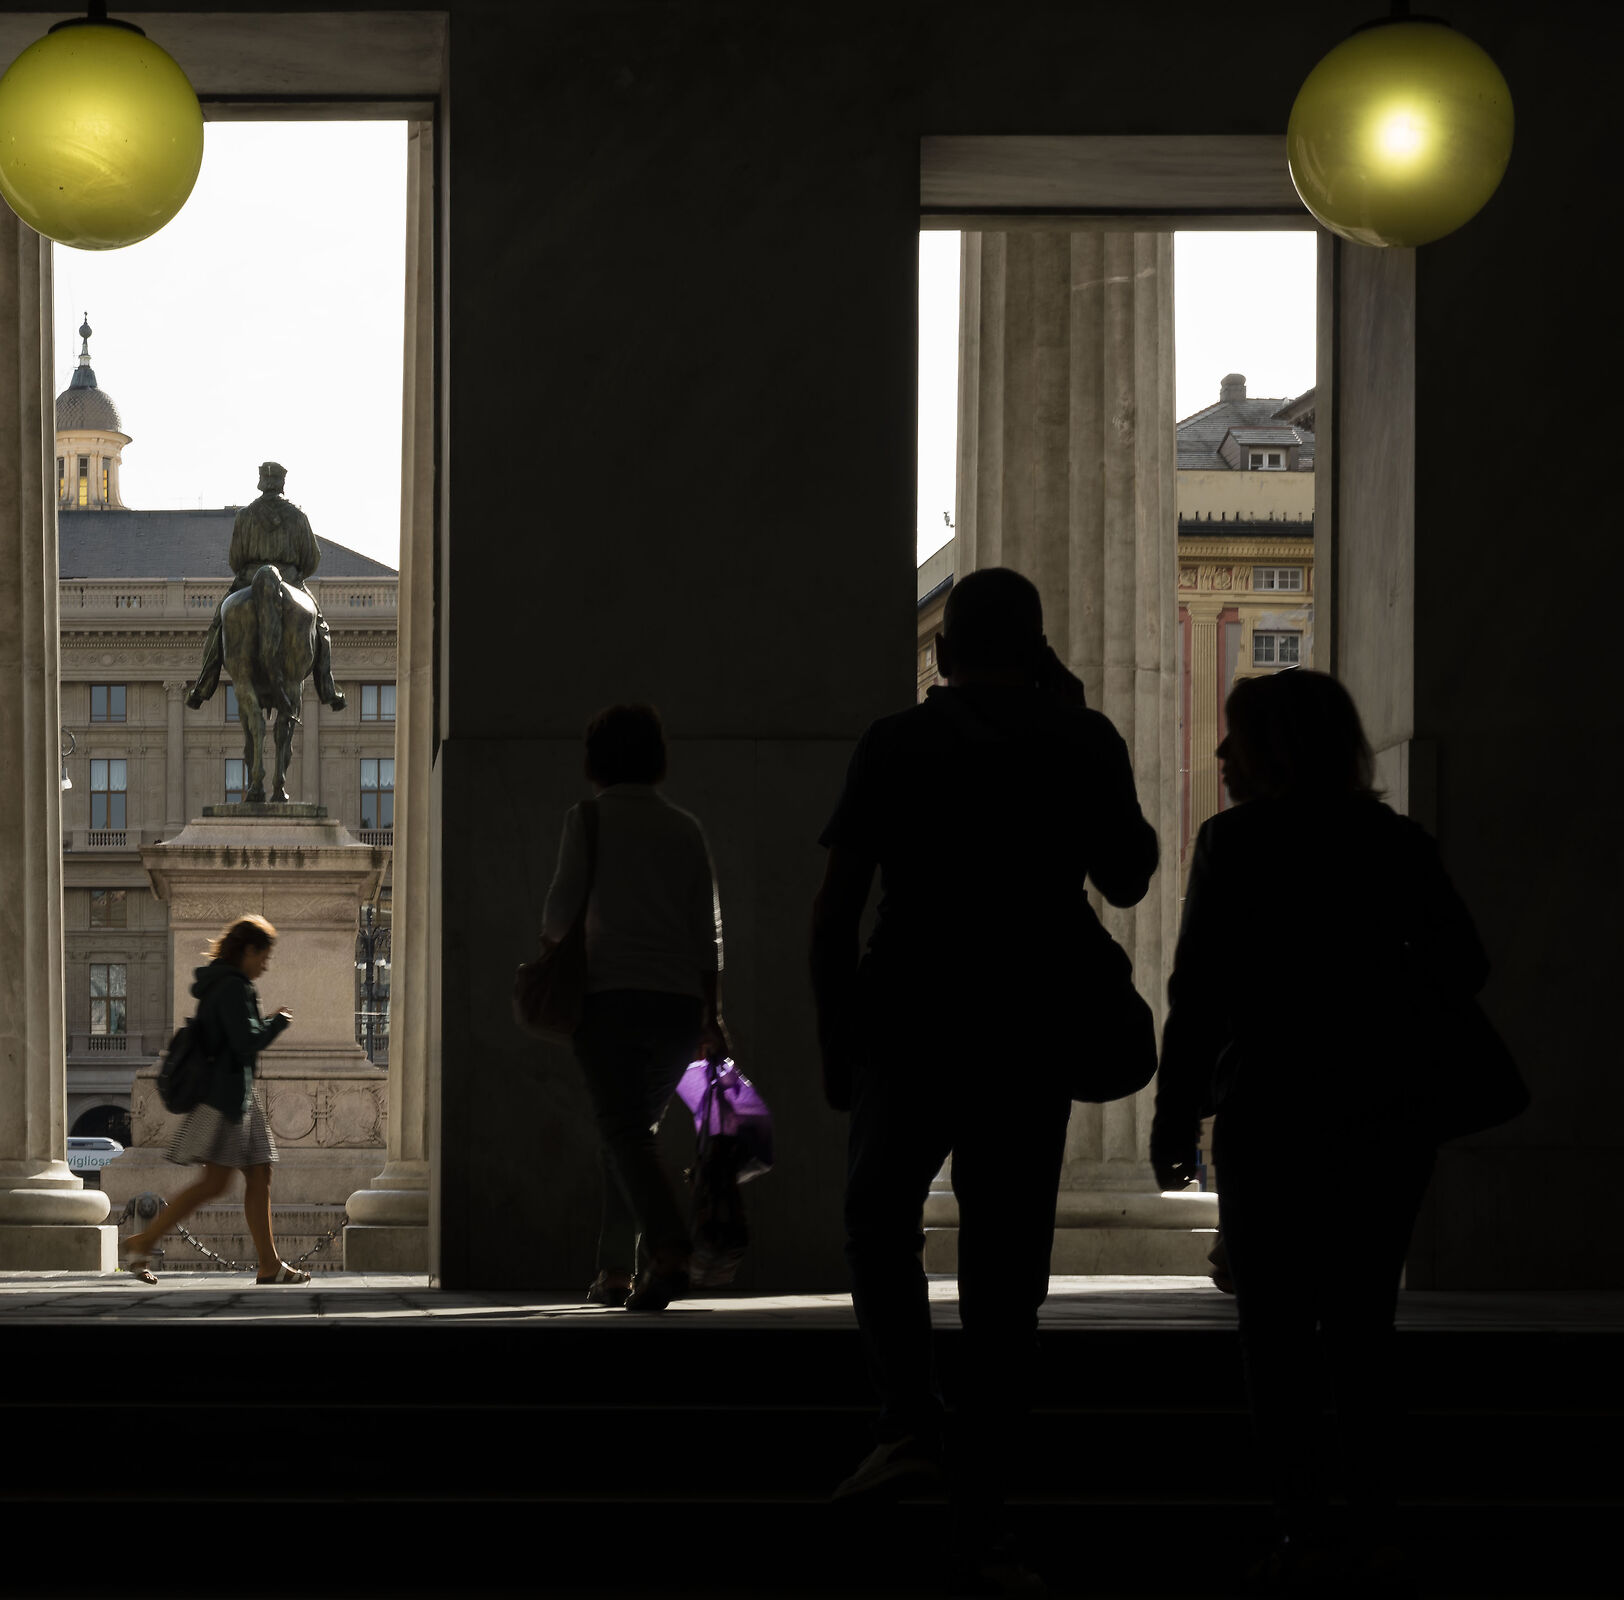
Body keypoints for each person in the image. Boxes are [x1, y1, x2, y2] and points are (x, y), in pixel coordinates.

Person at [810, 567, 1157, 1592]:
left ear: (946, 652)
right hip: (1030, 1017)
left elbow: (835, 906)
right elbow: (1131, 875)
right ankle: (985, 1506)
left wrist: (835, 1035)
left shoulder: (897, 741)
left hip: (913, 1007)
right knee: (1008, 1270)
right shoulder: (1078, 740)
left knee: (879, 1216)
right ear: (1039, 646)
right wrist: (1080, 721)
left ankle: (909, 1419)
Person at [1152, 668, 1480, 1594]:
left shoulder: (1235, 843)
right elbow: (1466, 963)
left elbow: (1197, 996)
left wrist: (1177, 1116)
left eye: (1236, 736)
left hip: (1273, 1109)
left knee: (1279, 1333)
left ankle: (1304, 1529)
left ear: (1274, 749)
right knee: (1363, 1322)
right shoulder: (1396, 843)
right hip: (1382, 1111)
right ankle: (1378, 1525)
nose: (1220, 754)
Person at [538, 703, 729, 1313]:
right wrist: (711, 1015)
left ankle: (670, 1251)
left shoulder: (586, 820)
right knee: (630, 1135)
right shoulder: (686, 828)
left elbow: (556, 918)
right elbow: (708, 935)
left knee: (622, 1132)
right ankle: (618, 1270)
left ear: (595, 761)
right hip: (677, 1006)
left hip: (608, 1001)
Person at [118, 915, 312, 1285]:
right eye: (263, 957)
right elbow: (245, 1043)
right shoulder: (233, 988)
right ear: (248, 951)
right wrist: (277, 1022)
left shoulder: (219, 984)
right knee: (216, 1183)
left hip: (234, 1094)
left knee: (258, 1173)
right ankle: (143, 1240)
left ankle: (269, 1265)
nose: (265, 966)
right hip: (227, 1098)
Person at [184, 461, 345, 712]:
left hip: (249, 579)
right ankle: (328, 688)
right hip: (290, 580)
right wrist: (296, 575)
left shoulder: (245, 516)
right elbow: (312, 558)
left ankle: (203, 686)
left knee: (217, 627)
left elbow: (235, 559)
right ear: (282, 484)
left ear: (261, 483)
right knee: (321, 629)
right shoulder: (298, 517)